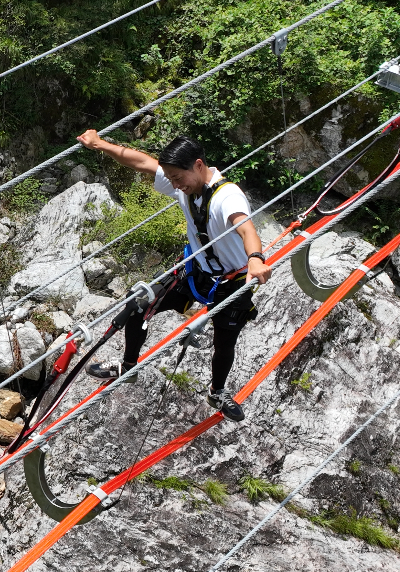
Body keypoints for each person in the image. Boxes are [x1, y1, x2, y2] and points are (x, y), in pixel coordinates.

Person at [76, 132, 273, 421]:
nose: (175, 185)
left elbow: (245, 228)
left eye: (177, 178)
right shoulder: (185, 184)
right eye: (170, 179)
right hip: (195, 272)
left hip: (230, 283)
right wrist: (99, 144)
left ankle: (217, 392)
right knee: (138, 302)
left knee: (224, 343)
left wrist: (255, 258)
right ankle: (128, 367)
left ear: (198, 165)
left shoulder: (227, 196)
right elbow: (142, 162)